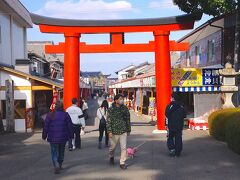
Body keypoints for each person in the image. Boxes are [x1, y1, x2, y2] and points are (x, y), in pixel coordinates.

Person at [42, 101, 73, 174]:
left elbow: (46, 127)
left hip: (53, 138)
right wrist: (71, 136)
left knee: (54, 152)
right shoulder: (66, 115)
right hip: (63, 138)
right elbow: (70, 126)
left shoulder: (50, 115)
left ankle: (56, 164)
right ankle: (60, 164)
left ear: (55, 107)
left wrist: (44, 135)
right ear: (62, 107)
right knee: (61, 152)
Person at [107, 94, 131, 170]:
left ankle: (122, 162)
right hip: (114, 132)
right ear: (116, 100)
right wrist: (109, 131)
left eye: (122, 99)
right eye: (120, 99)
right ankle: (111, 156)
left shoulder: (125, 108)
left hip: (123, 131)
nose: (122, 100)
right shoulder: (111, 109)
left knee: (124, 148)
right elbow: (108, 121)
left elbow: (128, 119)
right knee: (112, 148)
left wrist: (128, 129)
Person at [165, 93, 186, 157]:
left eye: (171, 97)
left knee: (170, 137)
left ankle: (172, 150)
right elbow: (184, 115)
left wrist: (166, 124)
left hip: (171, 125)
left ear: (173, 98)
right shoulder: (182, 106)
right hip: (179, 125)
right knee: (178, 138)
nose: (170, 98)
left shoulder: (169, 106)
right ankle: (178, 152)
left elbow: (166, 115)